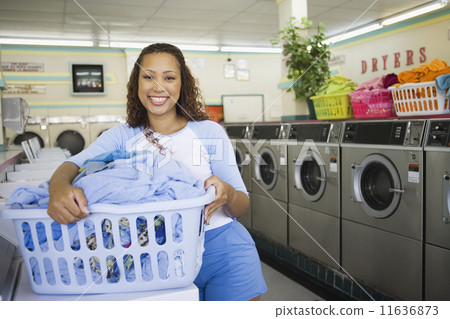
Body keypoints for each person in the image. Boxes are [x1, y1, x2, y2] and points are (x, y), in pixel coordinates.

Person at [47, 43, 267, 301]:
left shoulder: (207, 131)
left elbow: (241, 206)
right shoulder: (122, 136)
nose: (158, 86)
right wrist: (58, 186)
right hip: (157, 260)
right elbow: (73, 164)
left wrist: (228, 194)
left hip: (225, 254)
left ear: (181, 84)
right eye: (148, 76)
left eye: (169, 77)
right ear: (136, 83)